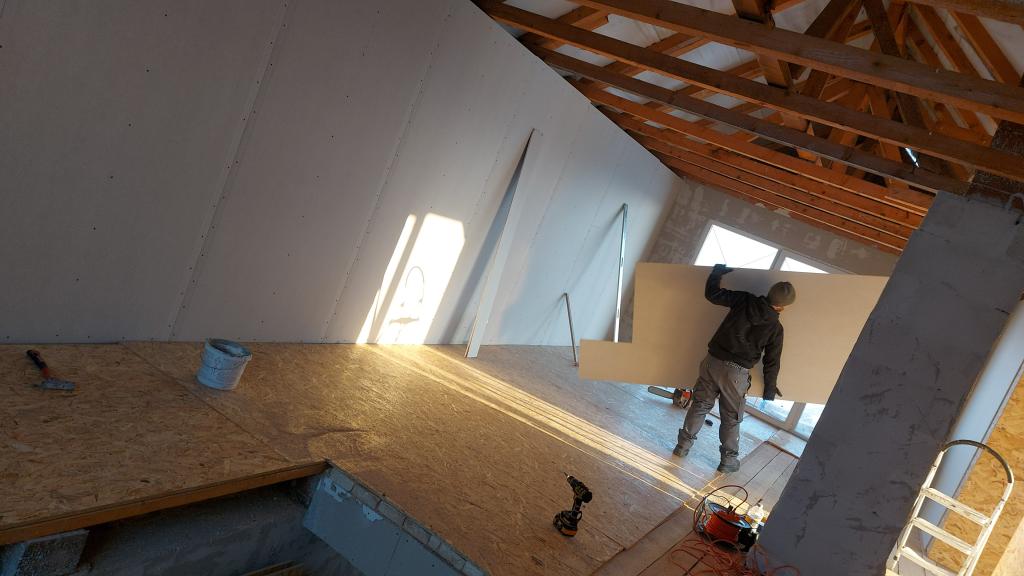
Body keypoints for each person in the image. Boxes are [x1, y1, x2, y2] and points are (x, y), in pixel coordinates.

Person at [673, 264, 795, 473]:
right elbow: (772, 360)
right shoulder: (776, 328)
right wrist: (769, 389)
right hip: (736, 374)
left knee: (700, 405)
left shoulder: (744, 300)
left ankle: (682, 447)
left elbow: (712, 294)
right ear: (783, 307)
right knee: (731, 418)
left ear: (769, 294)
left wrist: (717, 273)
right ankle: (728, 461)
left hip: (712, 362)